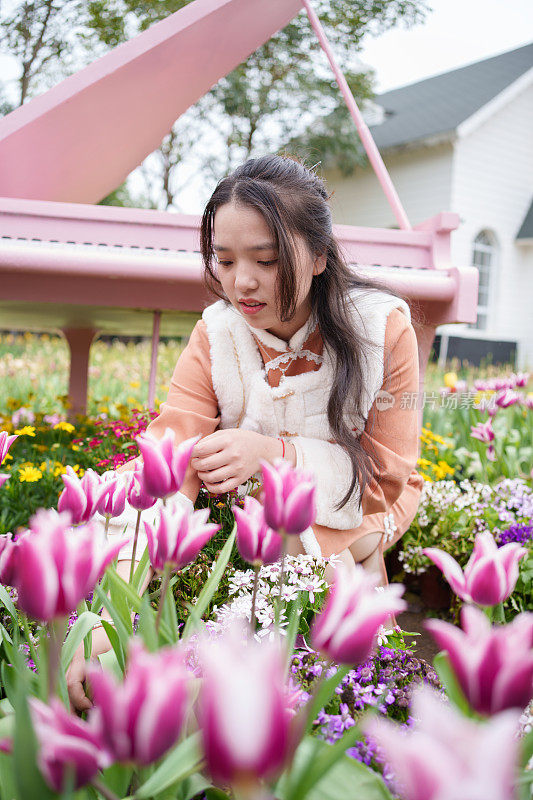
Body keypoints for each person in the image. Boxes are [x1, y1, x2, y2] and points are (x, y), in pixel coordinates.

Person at [67, 154, 424, 712]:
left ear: (321, 255)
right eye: (224, 260)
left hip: (371, 498)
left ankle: (352, 594)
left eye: (267, 259)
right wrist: (103, 615)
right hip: (253, 500)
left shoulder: (380, 329)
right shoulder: (218, 333)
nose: (242, 283)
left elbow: (385, 475)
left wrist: (273, 455)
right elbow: (169, 458)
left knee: (299, 547)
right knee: (231, 536)